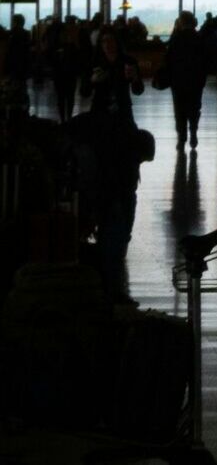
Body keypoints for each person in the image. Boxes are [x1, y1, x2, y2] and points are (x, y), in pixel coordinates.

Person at [73, 30, 148, 298]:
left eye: (112, 42)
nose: (109, 47)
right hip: (100, 121)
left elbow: (138, 89)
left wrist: (134, 77)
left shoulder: (127, 62)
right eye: (105, 43)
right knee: (103, 169)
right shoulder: (95, 65)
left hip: (122, 121)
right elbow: (83, 90)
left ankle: (114, 228)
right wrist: (93, 82)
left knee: (120, 168)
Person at [164, 12, 209, 150]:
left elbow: (168, 59)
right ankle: (193, 132)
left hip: (178, 80)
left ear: (181, 22)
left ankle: (181, 137)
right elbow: (206, 60)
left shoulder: (176, 38)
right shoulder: (199, 38)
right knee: (194, 107)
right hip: (195, 80)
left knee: (179, 109)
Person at [49, 17, 81, 123]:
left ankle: (63, 119)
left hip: (60, 74)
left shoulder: (57, 44)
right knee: (68, 97)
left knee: (62, 98)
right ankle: (68, 118)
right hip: (69, 73)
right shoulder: (73, 44)